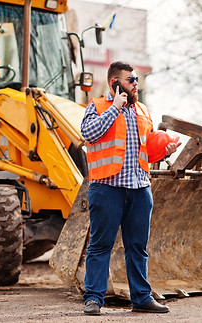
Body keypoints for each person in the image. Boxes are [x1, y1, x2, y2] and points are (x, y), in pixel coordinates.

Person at [80, 61, 180, 315]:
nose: (136, 84)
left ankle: (141, 298)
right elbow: (88, 134)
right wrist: (115, 107)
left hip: (139, 188)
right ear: (115, 83)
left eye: (136, 79)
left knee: (138, 246)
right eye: (130, 80)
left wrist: (163, 150)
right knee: (101, 245)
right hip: (107, 188)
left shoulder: (142, 110)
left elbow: (146, 148)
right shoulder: (98, 106)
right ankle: (93, 299)